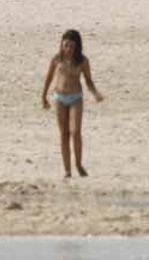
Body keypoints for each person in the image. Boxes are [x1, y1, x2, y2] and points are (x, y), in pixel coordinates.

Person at [40, 29, 104, 178]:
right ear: (62, 45)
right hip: (60, 98)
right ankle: (67, 170)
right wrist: (43, 97)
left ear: (77, 47)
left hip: (76, 98)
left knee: (75, 132)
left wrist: (95, 93)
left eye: (72, 46)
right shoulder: (57, 59)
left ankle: (79, 164)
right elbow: (48, 78)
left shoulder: (82, 61)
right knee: (64, 134)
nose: (68, 49)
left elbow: (88, 81)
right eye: (66, 45)